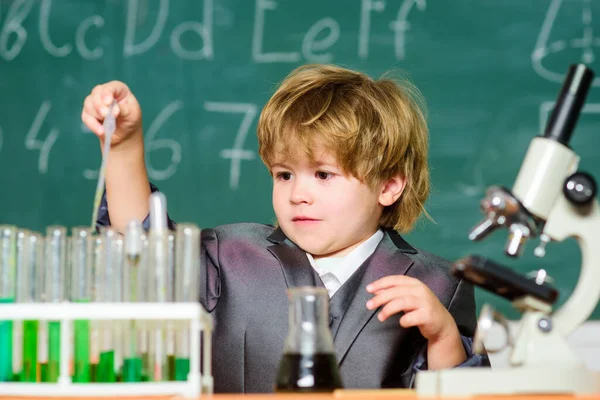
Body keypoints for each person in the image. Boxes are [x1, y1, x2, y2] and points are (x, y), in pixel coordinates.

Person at [82, 64, 490, 392]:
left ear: (388, 185)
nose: (298, 195)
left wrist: (443, 338)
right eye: (284, 175)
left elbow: (467, 393)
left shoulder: (436, 285)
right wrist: (123, 147)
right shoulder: (231, 255)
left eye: (324, 175)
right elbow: (144, 244)